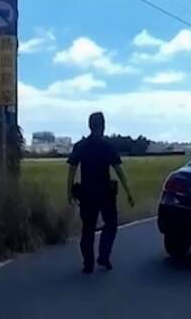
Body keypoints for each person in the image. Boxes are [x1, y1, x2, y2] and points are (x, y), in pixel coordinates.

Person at [67, 112, 135, 274]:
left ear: (89, 125)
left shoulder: (81, 146)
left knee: (88, 229)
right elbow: (119, 170)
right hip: (105, 193)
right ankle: (104, 255)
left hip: (87, 193)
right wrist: (128, 191)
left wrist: (68, 192)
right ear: (103, 126)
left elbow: (72, 169)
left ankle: (88, 264)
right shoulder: (107, 146)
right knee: (110, 224)